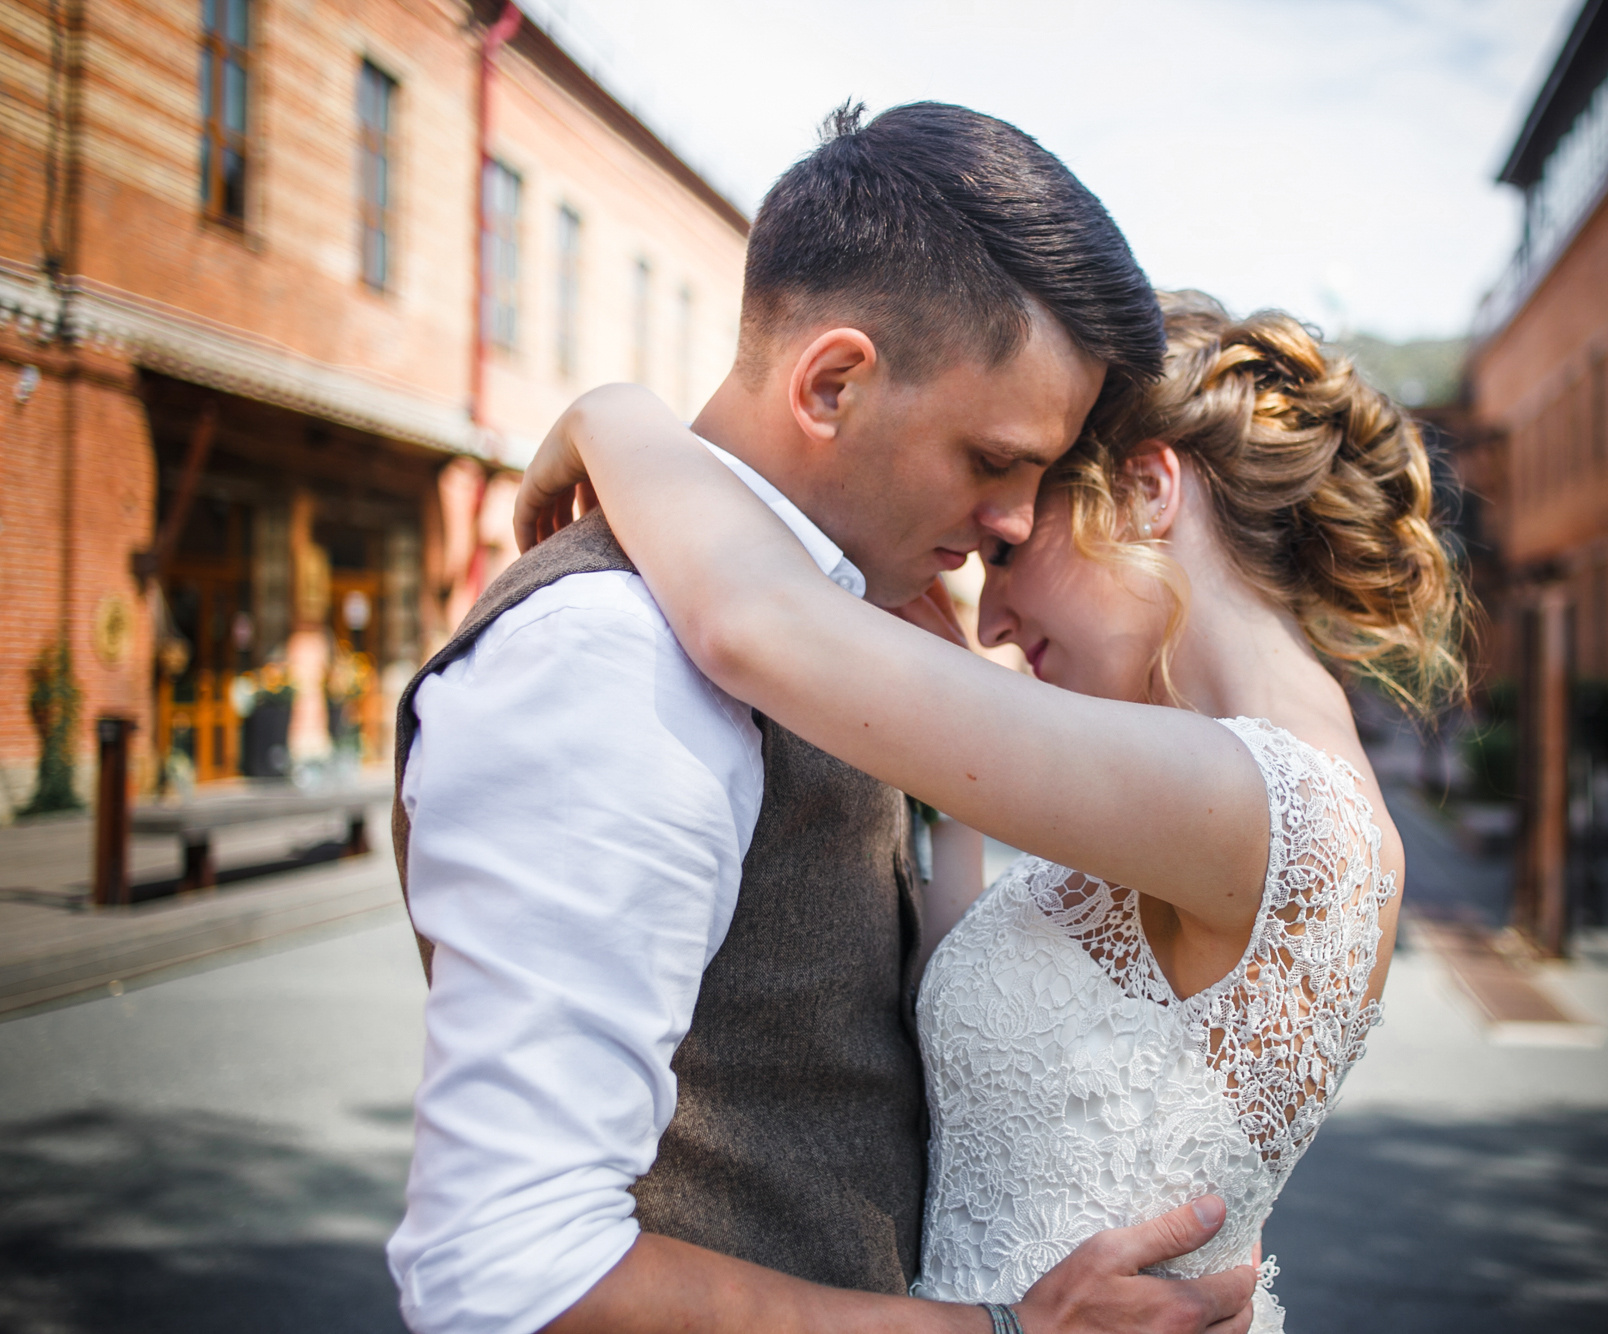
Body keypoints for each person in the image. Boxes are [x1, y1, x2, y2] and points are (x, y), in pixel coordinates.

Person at [388, 105, 1260, 1334]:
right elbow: (507, 1269)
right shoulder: (607, 653)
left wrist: (608, 411)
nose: (1014, 522)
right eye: (990, 457)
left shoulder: (856, 635)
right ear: (833, 381)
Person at [515, 290, 1467, 1331]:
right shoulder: (1235, 787)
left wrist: (613, 417)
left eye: (1011, 554)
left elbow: (750, 620)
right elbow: (1028, 1050)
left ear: (1149, 490)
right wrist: (954, 811)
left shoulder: (1252, 796)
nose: (997, 617)